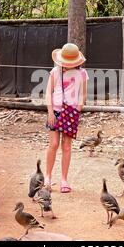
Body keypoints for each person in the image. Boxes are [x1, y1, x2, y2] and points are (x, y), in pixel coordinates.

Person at [45, 43, 88, 193]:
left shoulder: (82, 74)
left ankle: (64, 179)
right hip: (56, 111)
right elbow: (48, 92)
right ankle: (48, 177)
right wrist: (50, 111)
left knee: (67, 146)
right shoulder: (55, 72)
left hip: (71, 112)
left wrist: (78, 109)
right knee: (54, 144)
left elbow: (83, 94)